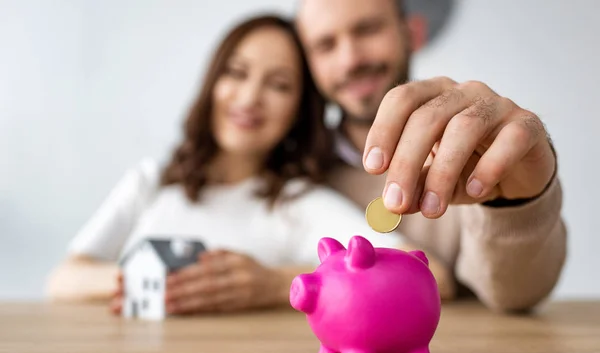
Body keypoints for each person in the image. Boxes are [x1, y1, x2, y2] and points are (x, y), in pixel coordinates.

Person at [45, 15, 407, 314]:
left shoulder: (297, 203)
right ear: (212, 81)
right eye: (236, 73)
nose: (249, 98)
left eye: (278, 85)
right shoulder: (150, 182)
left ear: (299, 111)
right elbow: (64, 279)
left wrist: (275, 284)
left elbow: (422, 271)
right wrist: (162, 280)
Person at [295, 0, 567, 312]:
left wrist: (516, 205)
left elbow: (519, 296)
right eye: (325, 45)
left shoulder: (472, 149)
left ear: (413, 33)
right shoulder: (293, 170)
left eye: (367, 29)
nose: (350, 60)